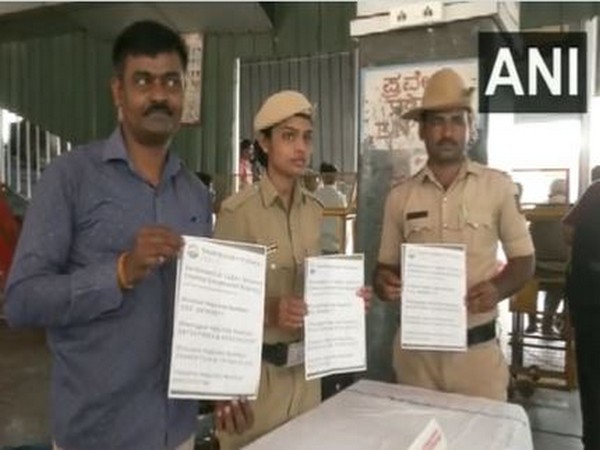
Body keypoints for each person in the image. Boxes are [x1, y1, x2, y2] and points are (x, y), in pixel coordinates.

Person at [4, 20, 251, 450]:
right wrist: (118, 272)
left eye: (171, 82)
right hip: (97, 434)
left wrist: (221, 382)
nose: (159, 95)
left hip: (176, 434)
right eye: (144, 81)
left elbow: (200, 313)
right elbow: (22, 301)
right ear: (118, 92)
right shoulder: (70, 179)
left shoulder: (194, 195)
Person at [213, 90, 370, 449]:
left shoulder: (315, 211)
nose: (301, 147)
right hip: (256, 385)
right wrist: (269, 310)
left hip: (306, 380)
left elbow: (314, 287)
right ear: (264, 144)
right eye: (288, 136)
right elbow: (218, 309)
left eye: (306, 137)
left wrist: (346, 302)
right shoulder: (238, 213)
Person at [373, 68, 534, 401]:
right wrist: (384, 282)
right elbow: (383, 269)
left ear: (469, 129)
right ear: (422, 130)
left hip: (476, 359)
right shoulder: (399, 197)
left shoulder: (498, 187)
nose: (447, 132)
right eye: (436, 122)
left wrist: (497, 288)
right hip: (416, 361)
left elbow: (525, 261)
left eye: (457, 121)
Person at [563, 177, 600, 450]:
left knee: (591, 378)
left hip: (590, 299)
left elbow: (567, 232)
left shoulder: (596, 191)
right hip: (590, 299)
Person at [525, 178, 569, 336]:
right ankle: (547, 322)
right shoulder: (571, 208)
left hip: (536, 266)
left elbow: (529, 237)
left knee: (529, 284)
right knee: (558, 286)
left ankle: (530, 322)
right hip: (562, 266)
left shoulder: (539, 209)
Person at [314, 162, 347, 254]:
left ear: (322, 177)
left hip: (318, 246)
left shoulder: (314, 196)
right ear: (335, 177)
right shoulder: (340, 198)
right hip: (335, 246)